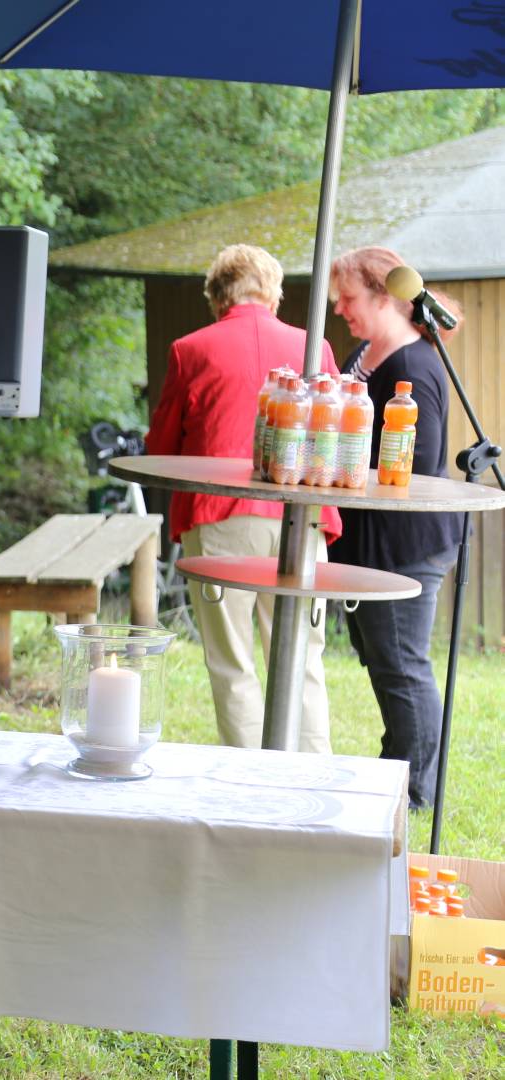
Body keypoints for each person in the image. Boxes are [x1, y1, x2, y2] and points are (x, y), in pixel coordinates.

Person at [145, 244, 341, 753]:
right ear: (274, 294)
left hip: (220, 519)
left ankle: (251, 784)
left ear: (217, 298)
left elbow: (160, 448)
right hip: (303, 518)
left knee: (232, 664)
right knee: (303, 660)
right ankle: (312, 779)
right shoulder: (314, 348)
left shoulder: (190, 350)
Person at [330, 246, 466, 809]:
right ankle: (396, 774)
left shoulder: (413, 366)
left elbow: (420, 466)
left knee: (403, 668)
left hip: (404, 548)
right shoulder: (368, 351)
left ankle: (413, 794)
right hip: (370, 545)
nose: (339, 309)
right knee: (383, 661)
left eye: (348, 298)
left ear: (384, 297)